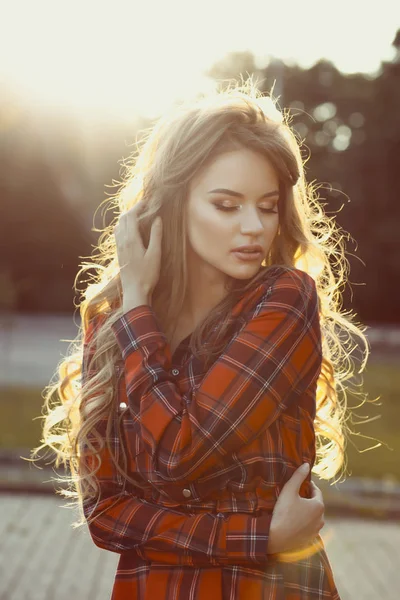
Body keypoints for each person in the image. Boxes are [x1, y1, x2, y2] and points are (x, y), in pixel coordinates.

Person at [33, 80, 369, 599]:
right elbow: (106, 515)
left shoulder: (283, 299)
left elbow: (178, 454)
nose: (254, 227)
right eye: (227, 205)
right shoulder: (112, 321)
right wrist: (261, 537)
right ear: (175, 205)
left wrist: (137, 312)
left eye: (268, 205)